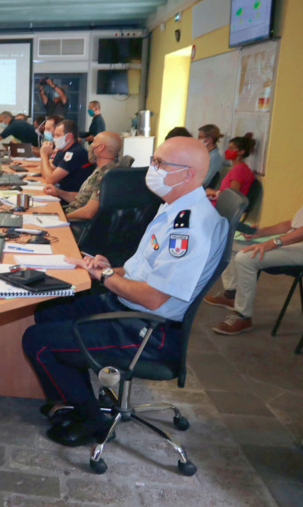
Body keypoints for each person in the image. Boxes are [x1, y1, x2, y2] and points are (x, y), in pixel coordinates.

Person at [22, 137, 227, 446]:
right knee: (49, 310)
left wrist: (104, 276)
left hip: (147, 329)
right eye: (154, 161)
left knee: (36, 341)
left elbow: (154, 297)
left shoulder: (190, 227)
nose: (152, 170)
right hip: (131, 305)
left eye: (160, 164)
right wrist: (106, 268)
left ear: (187, 175)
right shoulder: (176, 206)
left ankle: (93, 420)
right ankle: (74, 399)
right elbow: (144, 272)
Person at [204, 195, 303, 335]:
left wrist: (272, 243)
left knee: (246, 257)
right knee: (230, 245)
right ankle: (231, 294)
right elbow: (293, 224)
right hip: (297, 240)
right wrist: (261, 232)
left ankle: (243, 316)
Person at [44, 131, 122, 221]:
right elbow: (83, 198)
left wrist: (62, 218)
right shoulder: (100, 169)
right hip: (71, 214)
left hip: (75, 222)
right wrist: (59, 192)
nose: (91, 146)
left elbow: (88, 212)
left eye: (93, 142)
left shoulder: (106, 176)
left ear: (101, 148)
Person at [38, 119, 94, 192]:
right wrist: (44, 155)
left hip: (71, 198)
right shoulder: (62, 150)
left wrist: (44, 155)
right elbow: (46, 173)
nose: (55, 138)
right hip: (60, 191)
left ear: (68, 137)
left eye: (58, 135)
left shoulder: (75, 153)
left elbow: (50, 180)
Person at [205, 134, 255, 206]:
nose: (228, 151)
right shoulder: (239, 168)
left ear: (241, 152)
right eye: (228, 148)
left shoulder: (239, 170)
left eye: (231, 148)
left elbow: (232, 196)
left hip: (222, 209)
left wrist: (213, 192)